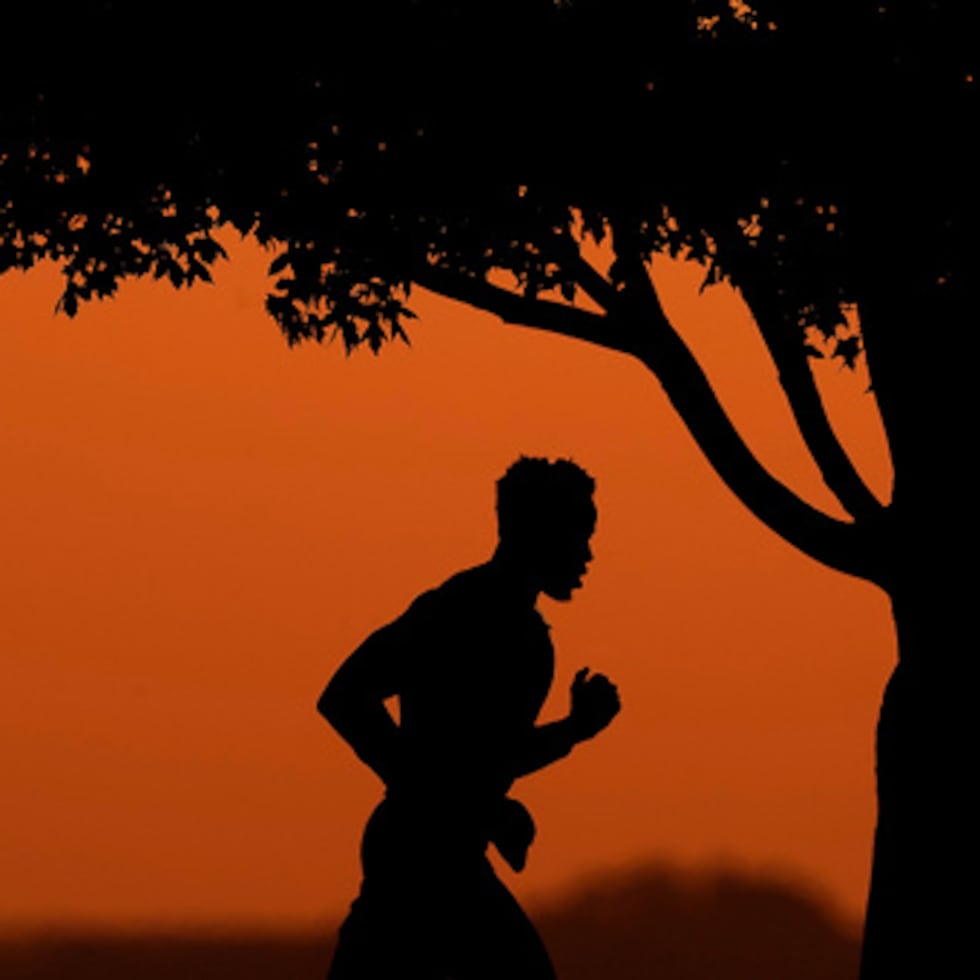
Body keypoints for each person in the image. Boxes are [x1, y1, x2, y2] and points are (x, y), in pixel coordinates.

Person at [318, 456, 621, 978]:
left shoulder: (524, 631)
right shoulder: (457, 611)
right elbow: (345, 696)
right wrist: (438, 799)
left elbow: (487, 756)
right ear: (538, 533)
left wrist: (572, 731)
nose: (588, 554)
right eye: (578, 535)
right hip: (419, 859)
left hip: (444, 851)